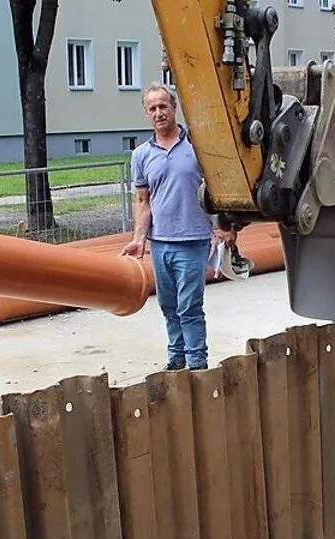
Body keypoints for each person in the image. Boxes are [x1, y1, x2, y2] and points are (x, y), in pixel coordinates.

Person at [122, 82, 233, 371]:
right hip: (160, 243)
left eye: (163, 106)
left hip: (193, 240)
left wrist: (224, 226)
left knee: (189, 306)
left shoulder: (198, 147)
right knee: (168, 306)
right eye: (152, 108)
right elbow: (143, 200)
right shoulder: (141, 155)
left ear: (174, 107)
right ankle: (177, 358)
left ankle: (196, 362)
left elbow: (219, 188)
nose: (159, 113)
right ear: (147, 114)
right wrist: (139, 238)